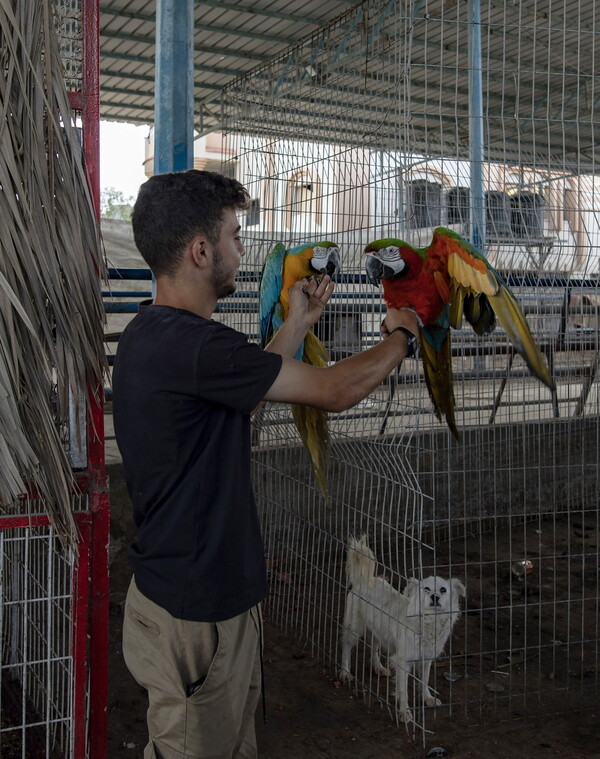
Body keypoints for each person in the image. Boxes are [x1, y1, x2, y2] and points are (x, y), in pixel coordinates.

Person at [112, 169, 419, 759]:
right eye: (233, 236)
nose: (242, 249)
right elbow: (334, 390)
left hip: (188, 597)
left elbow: (246, 388)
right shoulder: (198, 347)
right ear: (201, 251)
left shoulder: (154, 337)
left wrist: (298, 322)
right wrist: (401, 336)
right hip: (197, 616)